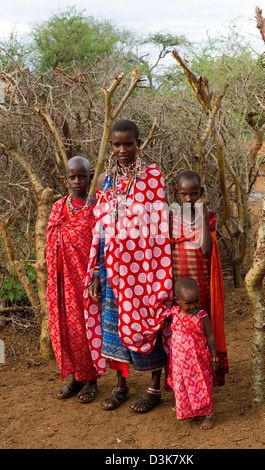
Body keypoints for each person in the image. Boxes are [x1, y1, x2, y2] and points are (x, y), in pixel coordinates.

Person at [84, 119, 173, 413]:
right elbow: (101, 229)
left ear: (138, 144)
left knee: (151, 322)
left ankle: (153, 389)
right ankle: (120, 386)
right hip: (112, 270)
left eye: (128, 144)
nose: (122, 150)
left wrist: (153, 270)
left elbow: (158, 227)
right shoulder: (106, 180)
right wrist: (97, 272)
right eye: (117, 144)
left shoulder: (151, 176)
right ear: (110, 145)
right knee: (114, 329)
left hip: (145, 270)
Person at [46, 156, 104, 403]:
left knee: (87, 328)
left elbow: (102, 246)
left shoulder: (97, 208)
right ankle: (76, 377)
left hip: (86, 280)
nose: (77, 181)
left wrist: (97, 276)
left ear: (90, 178)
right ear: (65, 178)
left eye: (82, 176)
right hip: (63, 281)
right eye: (72, 177)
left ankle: (91, 379)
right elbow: (51, 243)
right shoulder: (59, 207)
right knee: (68, 329)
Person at [169, 169, 228, 386]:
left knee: (202, 324)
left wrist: (202, 215)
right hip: (179, 282)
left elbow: (205, 250)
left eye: (194, 194)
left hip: (201, 282)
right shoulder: (171, 218)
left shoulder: (209, 216)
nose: (189, 199)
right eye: (184, 194)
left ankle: (206, 371)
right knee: (180, 327)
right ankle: (183, 374)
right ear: (177, 194)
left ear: (201, 192)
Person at [167, 277, 219, 428]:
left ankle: (209, 414)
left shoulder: (201, 316)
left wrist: (214, 358)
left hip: (199, 359)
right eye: (188, 303)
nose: (193, 306)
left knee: (202, 384)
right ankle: (188, 409)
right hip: (180, 362)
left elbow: (210, 336)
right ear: (178, 301)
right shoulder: (174, 314)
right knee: (182, 384)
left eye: (196, 301)